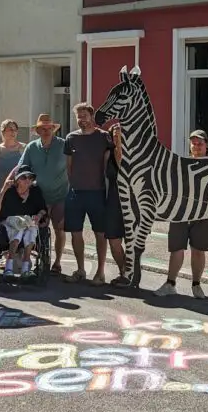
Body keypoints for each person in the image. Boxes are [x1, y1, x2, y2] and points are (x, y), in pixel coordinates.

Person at [155, 129, 208, 299]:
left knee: (198, 250)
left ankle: (196, 285)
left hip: (203, 214)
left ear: (206, 145)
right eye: (194, 143)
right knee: (176, 249)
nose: (196, 146)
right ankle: (170, 283)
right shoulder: (181, 162)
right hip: (180, 212)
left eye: (200, 143)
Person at [62, 103, 115, 285]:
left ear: (91, 116)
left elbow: (110, 161)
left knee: (100, 233)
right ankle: (80, 269)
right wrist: (74, 184)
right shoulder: (71, 138)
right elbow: (69, 166)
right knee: (75, 232)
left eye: (84, 116)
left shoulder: (104, 137)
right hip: (76, 193)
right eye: (79, 117)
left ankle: (100, 272)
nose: (82, 120)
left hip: (98, 192)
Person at [19, 113, 68, 274]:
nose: (46, 131)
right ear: (38, 131)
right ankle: (42, 259)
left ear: (54, 129)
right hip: (40, 196)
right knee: (40, 229)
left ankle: (58, 262)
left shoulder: (63, 145)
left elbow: (74, 165)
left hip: (61, 194)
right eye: (43, 129)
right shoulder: (31, 147)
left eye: (49, 128)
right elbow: (23, 167)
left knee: (59, 229)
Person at [0, 164, 48, 279]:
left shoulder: (35, 191)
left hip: (28, 222)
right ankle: (9, 267)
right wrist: (3, 191)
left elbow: (43, 209)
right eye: (24, 177)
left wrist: (38, 215)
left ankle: (25, 268)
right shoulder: (8, 191)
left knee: (31, 228)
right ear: (17, 180)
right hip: (7, 223)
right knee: (20, 226)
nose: (28, 180)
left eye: (30, 178)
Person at [103, 122, 129, 286]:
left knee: (132, 242)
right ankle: (123, 271)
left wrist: (119, 143)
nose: (116, 136)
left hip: (131, 201)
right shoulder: (107, 153)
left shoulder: (132, 154)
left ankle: (129, 275)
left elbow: (121, 162)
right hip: (113, 199)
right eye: (114, 133)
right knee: (113, 240)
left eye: (120, 133)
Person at [0, 119, 25, 199]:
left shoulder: (23, 148)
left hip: (18, 186)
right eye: (10, 129)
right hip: (1, 186)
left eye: (15, 130)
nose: (13, 132)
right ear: (3, 131)